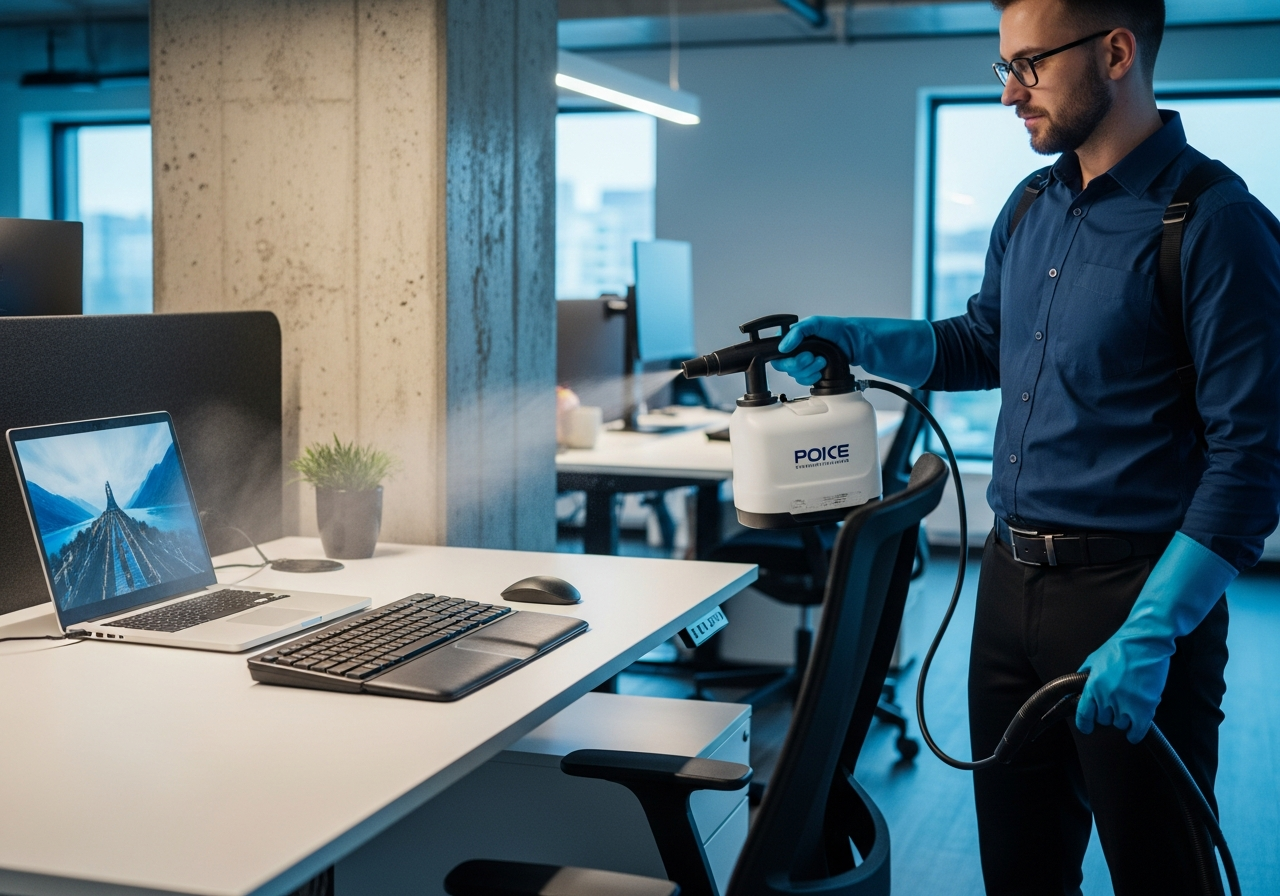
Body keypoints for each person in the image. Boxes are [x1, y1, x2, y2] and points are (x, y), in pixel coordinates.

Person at [774, 1, 1280, 893]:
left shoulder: (1213, 222)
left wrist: (1151, 637)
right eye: (1002, 66)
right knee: (1020, 874)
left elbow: (1253, 460)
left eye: (1030, 64)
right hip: (1009, 591)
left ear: (1117, 51)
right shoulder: (1033, 204)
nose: (1010, 93)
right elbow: (983, 341)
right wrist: (861, 338)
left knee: (1160, 875)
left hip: (1134, 600)